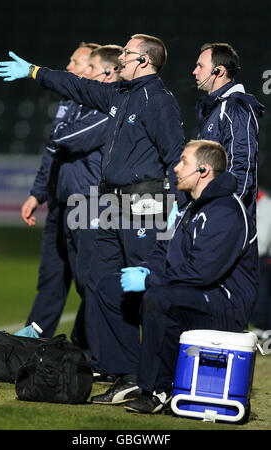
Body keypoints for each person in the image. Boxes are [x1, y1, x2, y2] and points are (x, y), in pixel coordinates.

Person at [0, 34, 186, 373]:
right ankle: (120, 368)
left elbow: (176, 156)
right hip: (112, 204)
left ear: (143, 60)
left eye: (126, 53)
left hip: (144, 202)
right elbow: (75, 84)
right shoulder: (119, 95)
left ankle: (163, 369)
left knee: (148, 289)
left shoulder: (159, 101)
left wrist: (176, 206)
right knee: (101, 284)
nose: (120, 58)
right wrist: (34, 71)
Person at [87, 139, 258, 414]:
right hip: (192, 292)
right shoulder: (188, 208)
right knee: (108, 286)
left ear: (203, 171)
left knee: (160, 297)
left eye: (184, 162)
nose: (176, 168)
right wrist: (145, 268)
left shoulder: (226, 211)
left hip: (223, 304)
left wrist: (150, 281)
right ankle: (129, 374)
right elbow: (161, 251)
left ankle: (160, 390)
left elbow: (202, 273)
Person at [17, 43, 122, 350]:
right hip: (61, 200)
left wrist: (59, 137)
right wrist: (38, 194)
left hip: (88, 203)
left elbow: (63, 141)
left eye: (81, 63)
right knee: (53, 275)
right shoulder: (71, 101)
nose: (74, 67)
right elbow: (53, 152)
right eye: (78, 63)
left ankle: (91, 345)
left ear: (102, 69)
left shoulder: (107, 103)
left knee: (88, 279)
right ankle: (37, 335)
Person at [193, 42, 264, 222]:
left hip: (225, 218)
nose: (195, 71)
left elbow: (242, 166)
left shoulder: (235, 108)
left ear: (219, 71)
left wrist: (225, 213)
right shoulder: (214, 109)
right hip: (209, 211)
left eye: (201, 66)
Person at [251, 188, 271, 339]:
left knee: (262, 293)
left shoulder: (265, 204)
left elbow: (263, 240)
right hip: (257, 255)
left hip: (261, 258)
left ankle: (261, 326)